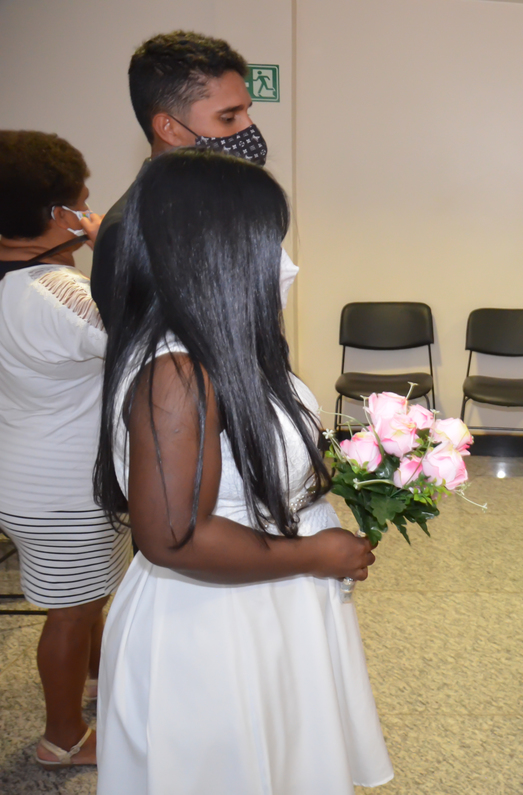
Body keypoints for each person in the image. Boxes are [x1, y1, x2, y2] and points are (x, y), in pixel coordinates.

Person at [92, 149, 392, 794]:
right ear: (217, 252)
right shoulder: (176, 374)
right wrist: (315, 553)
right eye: (270, 242)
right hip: (213, 624)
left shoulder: (225, 347)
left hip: (264, 596)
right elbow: (173, 538)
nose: (286, 264)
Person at [0, 130, 126, 769]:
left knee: (85, 597)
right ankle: (63, 738)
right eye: (82, 202)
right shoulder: (60, 293)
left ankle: (99, 684)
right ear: (58, 215)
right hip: (64, 489)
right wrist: (114, 254)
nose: (89, 210)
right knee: (71, 613)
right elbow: (148, 335)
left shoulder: (16, 283)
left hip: (28, 473)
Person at [91, 30, 292, 328]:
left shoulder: (236, 206)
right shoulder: (128, 232)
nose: (249, 129)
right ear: (168, 128)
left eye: (247, 113)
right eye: (228, 118)